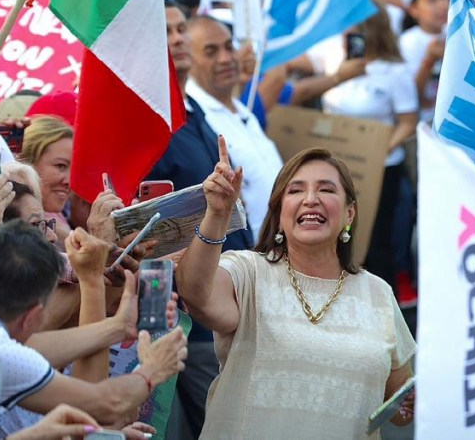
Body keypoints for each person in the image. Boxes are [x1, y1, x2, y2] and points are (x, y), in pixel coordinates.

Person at [175, 143, 416, 439]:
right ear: (278, 214)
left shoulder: (378, 293)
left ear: (349, 213)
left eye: (326, 190)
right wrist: (216, 215)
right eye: (295, 190)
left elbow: (402, 408)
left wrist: (414, 403)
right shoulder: (248, 271)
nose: (311, 199)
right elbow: (196, 294)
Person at [0, 220, 188, 431]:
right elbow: (106, 405)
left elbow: (33, 348)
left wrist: (119, 325)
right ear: (34, 317)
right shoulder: (0, 353)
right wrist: (153, 369)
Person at [147, 1, 252, 440]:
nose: (175, 39)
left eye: (179, 28)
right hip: (198, 310)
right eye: (164, 32)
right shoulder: (153, 123)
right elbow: (151, 226)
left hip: (233, 288)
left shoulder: (193, 109)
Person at [322, 6, 419, 305]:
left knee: (375, 244)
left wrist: (378, 149)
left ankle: (382, 310)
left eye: (354, 33)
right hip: (335, 169)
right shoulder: (333, 61)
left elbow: (408, 122)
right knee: (336, 238)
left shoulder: (394, 72)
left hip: (379, 170)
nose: (346, 38)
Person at [184, 16, 283, 236]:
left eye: (229, 47)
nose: (226, 58)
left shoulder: (241, 110)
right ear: (187, 59)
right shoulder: (194, 120)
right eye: (211, 51)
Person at [397, 0, 450, 123]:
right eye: (432, 0)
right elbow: (411, 95)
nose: (443, 5)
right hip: (426, 123)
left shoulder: (456, 30)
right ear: (413, 9)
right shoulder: (408, 42)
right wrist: (429, 60)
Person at [19, 116, 74, 242]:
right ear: (26, 163)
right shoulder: (12, 227)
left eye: (74, 169)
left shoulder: (57, 217)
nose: (69, 182)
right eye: (61, 166)